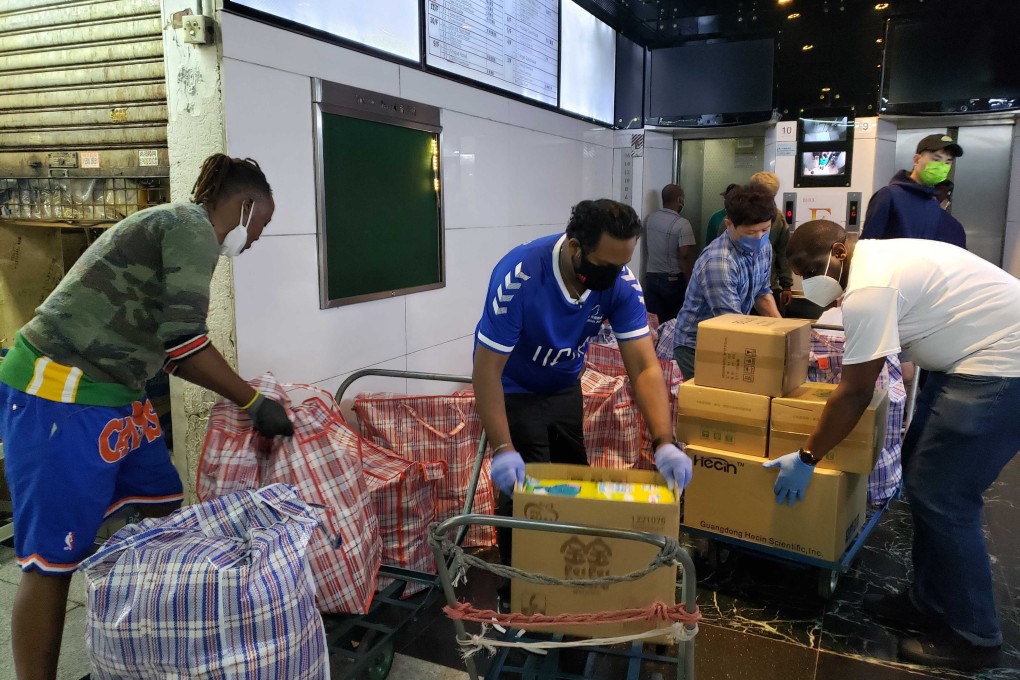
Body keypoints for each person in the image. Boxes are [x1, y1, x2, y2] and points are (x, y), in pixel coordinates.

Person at [0, 154, 295, 680]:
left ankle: (154, 641)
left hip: (117, 392)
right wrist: (254, 404)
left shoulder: (184, 231)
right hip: (59, 391)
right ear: (246, 206)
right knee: (52, 560)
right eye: (262, 225)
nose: (255, 241)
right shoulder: (191, 228)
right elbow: (184, 346)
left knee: (163, 508)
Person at [768, 219, 1020, 671]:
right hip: (970, 358)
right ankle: (929, 601)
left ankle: (974, 636)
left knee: (945, 496)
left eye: (810, 267)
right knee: (920, 476)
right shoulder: (874, 260)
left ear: (838, 253)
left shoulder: (868, 287)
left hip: (1002, 364)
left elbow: (855, 392)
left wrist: (808, 456)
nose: (808, 280)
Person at [472, 199, 693, 611]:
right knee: (527, 488)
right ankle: (520, 596)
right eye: (606, 264)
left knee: (573, 479)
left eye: (623, 263)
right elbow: (485, 371)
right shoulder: (520, 277)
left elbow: (644, 366)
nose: (613, 274)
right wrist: (503, 448)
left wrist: (665, 440)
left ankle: (565, 581)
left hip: (563, 385)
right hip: (513, 387)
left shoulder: (620, 283)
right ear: (575, 246)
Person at [672, 185, 782, 380]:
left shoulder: (764, 247)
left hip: (731, 335)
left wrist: (784, 334)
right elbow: (731, 322)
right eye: (750, 232)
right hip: (696, 347)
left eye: (765, 229)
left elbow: (762, 294)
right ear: (729, 224)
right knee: (713, 404)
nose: (759, 237)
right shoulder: (719, 261)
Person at [859, 133, 966, 248]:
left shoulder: (933, 204)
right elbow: (867, 247)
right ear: (916, 160)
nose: (941, 166)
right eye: (936, 159)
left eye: (947, 162)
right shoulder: (889, 196)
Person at [642, 184, 696, 322]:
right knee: (674, 323)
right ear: (680, 200)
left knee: (655, 323)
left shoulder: (650, 219)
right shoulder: (683, 224)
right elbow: (684, 255)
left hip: (651, 279)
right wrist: (690, 280)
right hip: (673, 282)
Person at [749, 171, 793, 313]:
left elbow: (783, 253)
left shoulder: (778, 218)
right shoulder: (738, 216)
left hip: (768, 287)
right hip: (741, 286)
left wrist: (786, 285)